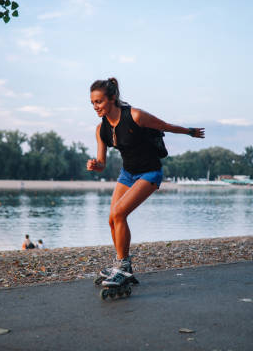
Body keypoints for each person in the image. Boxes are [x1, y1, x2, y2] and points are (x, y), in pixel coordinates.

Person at [87, 78, 204, 289]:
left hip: (150, 173)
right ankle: (121, 265)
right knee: (112, 220)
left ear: (112, 98)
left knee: (119, 214)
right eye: (93, 103)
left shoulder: (135, 116)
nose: (96, 106)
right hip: (127, 174)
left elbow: (164, 126)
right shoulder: (101, 129)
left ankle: (122, 268)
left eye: (99, 101)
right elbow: (102, 163)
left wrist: (189, 131)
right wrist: (96, 165)